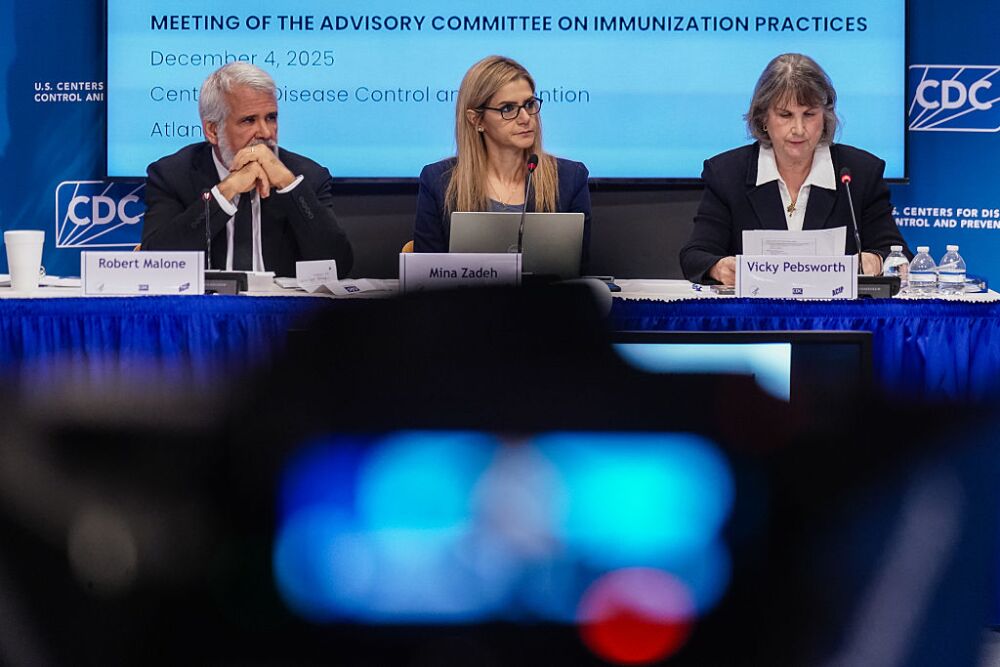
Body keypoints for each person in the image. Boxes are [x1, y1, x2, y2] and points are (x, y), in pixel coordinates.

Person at [679, 53, 909, 286]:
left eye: (809, 114)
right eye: (785, 115)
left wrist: (877, 261)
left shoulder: (859, 173)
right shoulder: (728, 173)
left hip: (835, 318)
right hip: (755, 317)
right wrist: (720, 268)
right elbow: (695, 256)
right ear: (763, 119)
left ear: (825, 117)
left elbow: (897, 255)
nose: (798, 129)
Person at [142, 63, 353, 278]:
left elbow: (338, 266)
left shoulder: (307, 176)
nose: (265, 132)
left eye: (271, 117)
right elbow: (156, 264)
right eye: (249, 120)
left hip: (286, 309)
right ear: (213, 130)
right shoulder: (173, 175)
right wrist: (225, 191)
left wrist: (289, 186)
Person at [413, 55, 592, 270]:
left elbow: (578, 271)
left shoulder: (570, 178)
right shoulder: (439, 181)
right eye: (508, 108)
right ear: (476, 120)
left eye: (529, 104)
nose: (525, 117)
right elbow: (425, 276)